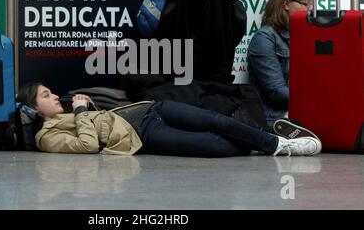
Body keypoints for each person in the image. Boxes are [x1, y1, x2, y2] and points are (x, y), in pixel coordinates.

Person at [16, 82, 322, 158]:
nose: (55, 96)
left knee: (215, 119)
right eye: (46, 95)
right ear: (34, 109)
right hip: (141, 134)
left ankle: (279, 144)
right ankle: (265, 138)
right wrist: (82, 112)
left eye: (51, 92)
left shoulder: (68, 112)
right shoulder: (47, 137)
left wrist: (84, 109)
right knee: (214, 147)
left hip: (152, 109)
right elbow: (87, 145)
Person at [247, 0, 312, 128]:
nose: (310, 10)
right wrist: (316, 100)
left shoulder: (304, 36)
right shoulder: (264, 39)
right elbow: (277, 92)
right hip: (276, 119)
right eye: (306, 4)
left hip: (299, 114)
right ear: (287, 4)